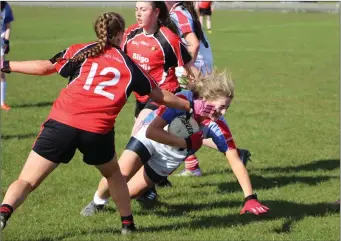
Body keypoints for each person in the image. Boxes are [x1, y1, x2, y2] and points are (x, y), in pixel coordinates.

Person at [0, 12, 201, 234]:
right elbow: (159, 95)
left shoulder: (81, 50)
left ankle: (4, 212)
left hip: (61, 123)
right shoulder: (130, 65)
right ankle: (127, 225)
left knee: (27, 181)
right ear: (120, 35)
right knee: (114, 175)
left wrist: (6, 64)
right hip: (96, 131)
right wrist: (189, 106)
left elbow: (43, 67)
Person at [81, 69, 270, 217]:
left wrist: (250, 198)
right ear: (206, 98)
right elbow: (151, 132)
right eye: (221, 106)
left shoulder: (217, 125)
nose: (224, 112)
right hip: (148, 140)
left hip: (169, 157)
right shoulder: (182, 101)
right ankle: (97, 202)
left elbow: (235, 160)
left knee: (126, 194)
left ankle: (143, 192)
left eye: (227, 108)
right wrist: (185, 142)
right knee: (119, 175)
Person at [121, 1, 196, 136]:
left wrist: (200, 90)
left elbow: (189, 68)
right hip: (141, 96)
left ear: (156, 12)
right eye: (136, 9)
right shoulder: (130, 34)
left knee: (136, 137)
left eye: (143, 10)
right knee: (159, 144)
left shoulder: (169, 39)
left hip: (163, 95)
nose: (138, 14)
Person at [166, 1, 214, 178]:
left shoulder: (177, 13)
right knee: (187, 118)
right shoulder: (183, 10)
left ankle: (232, 150)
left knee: (181, 118)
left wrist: (187, 69)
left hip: (194, 67)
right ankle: (191, 165)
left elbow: (193, 44)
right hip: (198, 65)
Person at [0, 1, 14, 111]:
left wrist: (7, 41)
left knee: (1, 70)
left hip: (0, 42)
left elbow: (8, 25)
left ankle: (2, 102)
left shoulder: (5, 6)